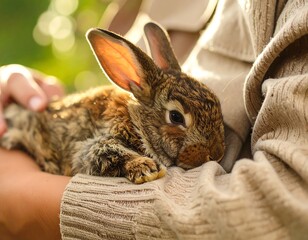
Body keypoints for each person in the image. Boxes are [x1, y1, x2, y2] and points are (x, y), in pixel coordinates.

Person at [1, 0, 308, 239]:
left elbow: (282, 206)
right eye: (177, 119)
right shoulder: (124, 120)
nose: (214, 150)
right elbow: (91, 154)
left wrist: (21, 196)